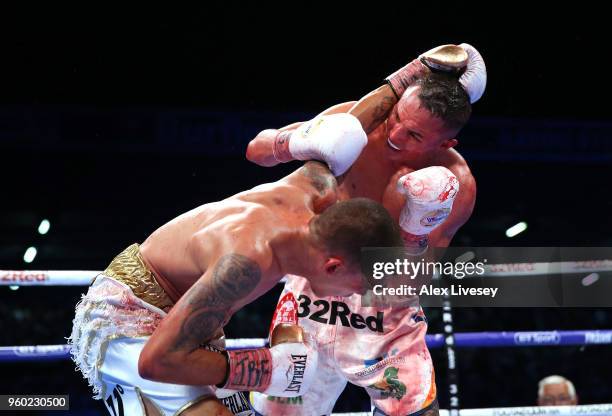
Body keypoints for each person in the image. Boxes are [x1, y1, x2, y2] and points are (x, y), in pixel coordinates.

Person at [247, 43, 486, 415]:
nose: (396, 136)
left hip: (383, 312)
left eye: (416, 136)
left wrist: (414, 229)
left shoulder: (457, 184)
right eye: (397, 120)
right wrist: (296, 142)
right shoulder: (354, 123)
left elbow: (413, 281)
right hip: (311, 290)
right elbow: (256, 150)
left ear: (447, 143)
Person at [68, 160, 405, 416]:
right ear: (334, 265)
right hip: (127, 318)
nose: (350, 298)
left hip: (183, 317)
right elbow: (155, 362)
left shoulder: (314, 186)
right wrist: (265, 370)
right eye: (356, 286)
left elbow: (346, 128)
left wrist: (411, 75)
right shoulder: (244, 264)